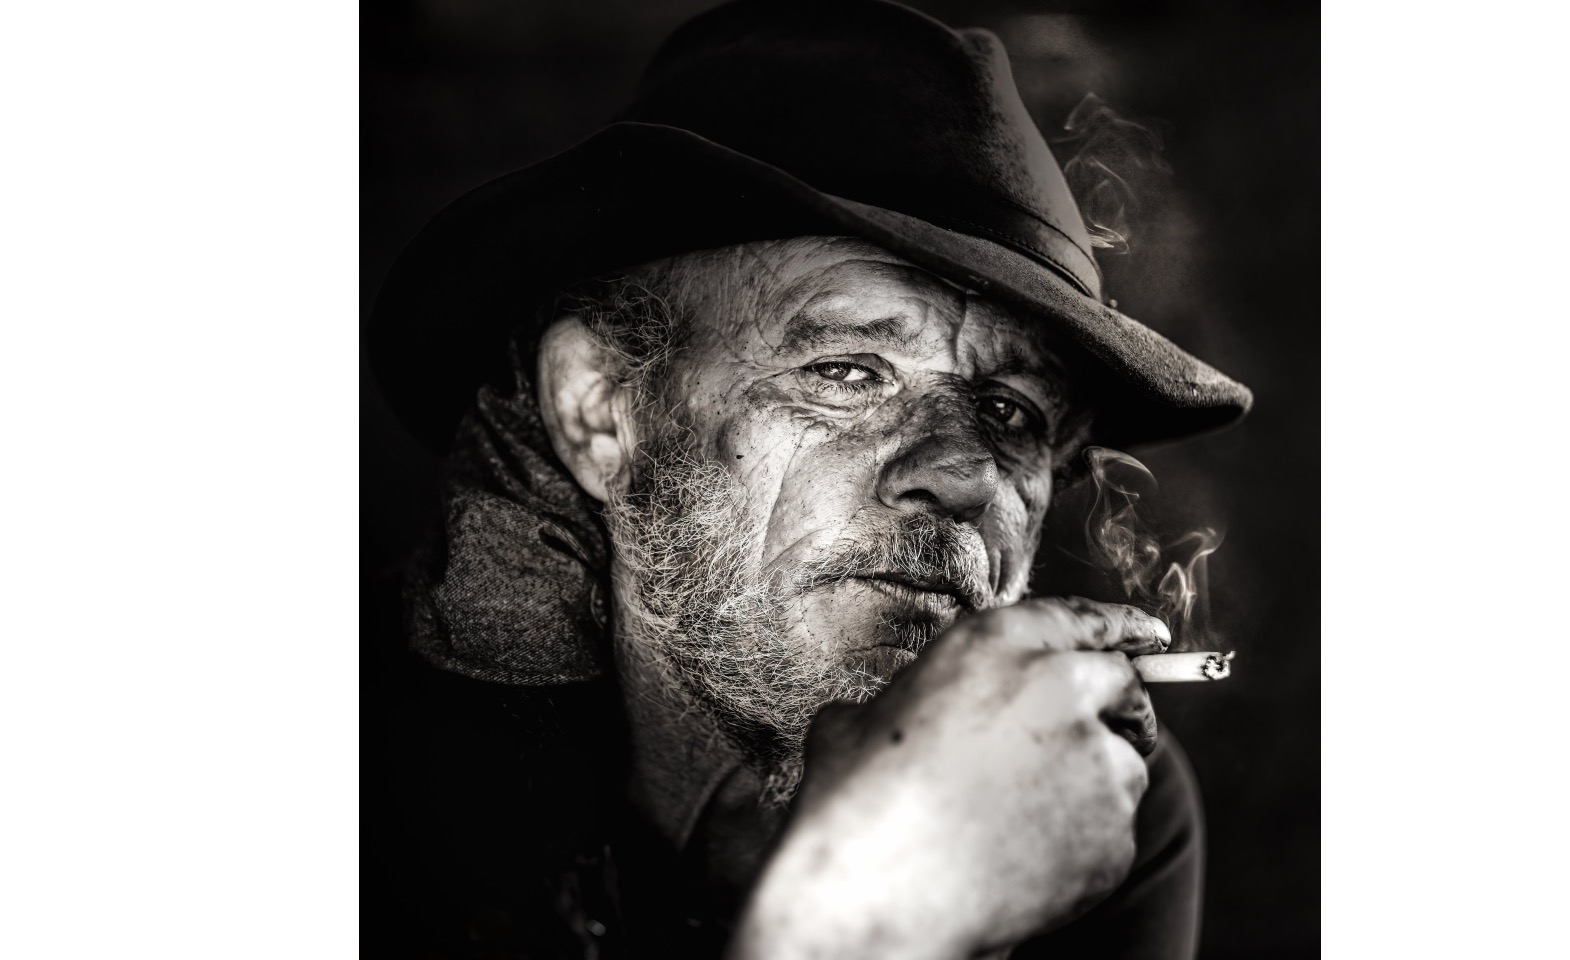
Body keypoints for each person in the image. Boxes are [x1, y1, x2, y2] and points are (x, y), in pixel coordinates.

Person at [367, 1, 1251, 957]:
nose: (962, 475)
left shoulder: (1090, 786)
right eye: (846, 373)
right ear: (599, 409)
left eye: (1012, 414)